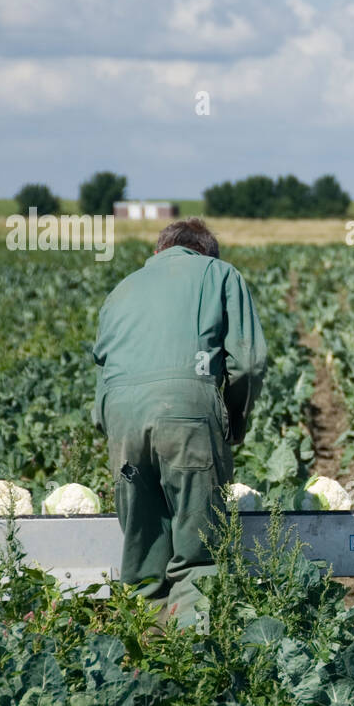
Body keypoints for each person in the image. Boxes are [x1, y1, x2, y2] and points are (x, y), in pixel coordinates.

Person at [91, 218, 267, 629]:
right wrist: (232, 423)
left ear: (158, 253)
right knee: (199, 551)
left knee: (144, 557)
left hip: (122, 425)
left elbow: (102, 380)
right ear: (207, 253)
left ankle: (146, 667)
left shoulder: (121, 289)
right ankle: (194, 673)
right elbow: (249, 363)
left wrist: (117, 433)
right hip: (186, 416)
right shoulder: (219, 274)